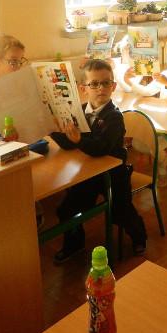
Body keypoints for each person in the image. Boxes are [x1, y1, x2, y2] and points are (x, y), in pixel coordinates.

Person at [50, 59, 146, 263]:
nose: (100, 88)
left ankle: (139, 236)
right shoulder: (78, 113)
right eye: (94, 84)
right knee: (67, 209)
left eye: (105, 83)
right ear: (83, 88)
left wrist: (78, 140)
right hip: (88, 173)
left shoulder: (114, 117)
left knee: (120, 211)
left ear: (113, 86)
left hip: (114, 174)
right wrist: (54, 130)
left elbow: (101, 148)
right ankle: (74, 244)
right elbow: (69, 143)